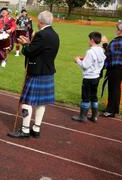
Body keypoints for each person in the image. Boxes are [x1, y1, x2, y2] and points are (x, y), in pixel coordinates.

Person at [8, 11, 60, 139]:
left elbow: (30, 52)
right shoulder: (55, 34)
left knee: (27, 102)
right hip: (47, 72)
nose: (37, 22)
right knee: (41, 103)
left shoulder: (41, 34)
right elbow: (40, 49)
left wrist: (25, 44)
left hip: (36, 72)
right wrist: (29, 43)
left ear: (41, 22)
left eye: (38, 20)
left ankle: (25, 131)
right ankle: (36, 129)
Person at [71, 32, 106, 122]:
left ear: (92, 40)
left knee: (85, 97)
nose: (88, 41)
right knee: (94, 96)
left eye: (89, 39)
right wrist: (84, 58)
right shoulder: (101, 50)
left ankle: (83, 117)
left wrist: (77, 60)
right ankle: (94, 116)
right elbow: (98, 61)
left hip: (88, 78)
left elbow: (85, 66)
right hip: (96, 77)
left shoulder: (90, 51)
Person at [101, 21, 122, 118]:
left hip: (115, 68)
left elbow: (108, 54)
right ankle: (115, 109)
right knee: (117, 88)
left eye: (117, 29)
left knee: (113, 89)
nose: (115, 31)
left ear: (120, 31)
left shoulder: (116, 41)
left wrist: (105, 44)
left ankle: (110, 110)